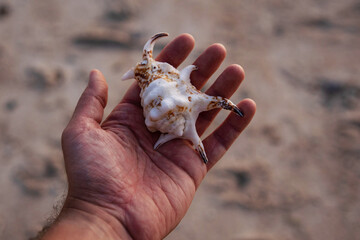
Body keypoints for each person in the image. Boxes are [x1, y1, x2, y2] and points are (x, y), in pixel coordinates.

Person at [40, 33, 256, 240]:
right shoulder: (176, 90)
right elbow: (209, 99)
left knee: (208, 101)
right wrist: (102, 214)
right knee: (210, 102)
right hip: (176, 108)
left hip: (174, 110)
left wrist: (97, 212)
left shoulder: (165, 90)